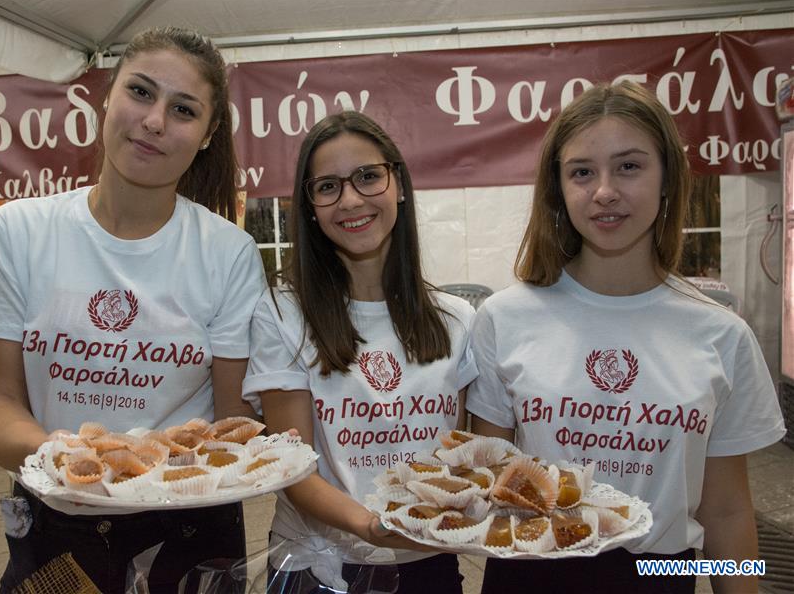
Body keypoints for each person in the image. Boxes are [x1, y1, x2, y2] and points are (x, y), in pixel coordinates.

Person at [0, 27, 266, 593]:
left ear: (207, 134)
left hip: (190, 527)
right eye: (141, 92)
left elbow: (231, 422)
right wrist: (65, 450)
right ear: (106, 96)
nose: (154, 121)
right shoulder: (18, 232)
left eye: (184, 109)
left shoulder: (229, 253)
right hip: (54, 523)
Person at [466, 81, 785, 594]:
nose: (604, 190)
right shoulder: (505, 318)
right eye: (582, 172)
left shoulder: (721, 334)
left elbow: (725, 513)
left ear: (667, 180)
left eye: (629, 166)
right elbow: (490, 489)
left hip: (660, 573)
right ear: (559, 188)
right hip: (530, 573)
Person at [242, 111, 478, 593]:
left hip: (426, 563)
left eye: (368, 177)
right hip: (315, 567)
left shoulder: (457, 320)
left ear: (400, 185)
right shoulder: (281, 314)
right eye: (327, 187)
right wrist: (373, 526)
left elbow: (464, 458)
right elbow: (293, 468)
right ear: (309, 206)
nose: (350, 199)